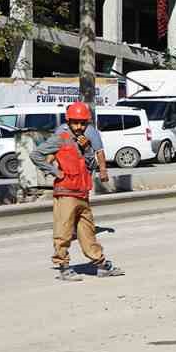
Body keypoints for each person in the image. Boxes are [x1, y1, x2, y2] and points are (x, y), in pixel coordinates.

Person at [34, 102, 124, 281]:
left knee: (88, 232)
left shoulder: (86, 139)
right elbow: (36, 155)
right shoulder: (61, 137)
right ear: (68, 122)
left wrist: (87, 149)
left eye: (82, 123)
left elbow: (91, 164)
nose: (79, 127)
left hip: (82, 193)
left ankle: (100, 265)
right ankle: (63, 267)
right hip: (66, 192)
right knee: (64, 231)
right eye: (75, 123)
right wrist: (54, 171)